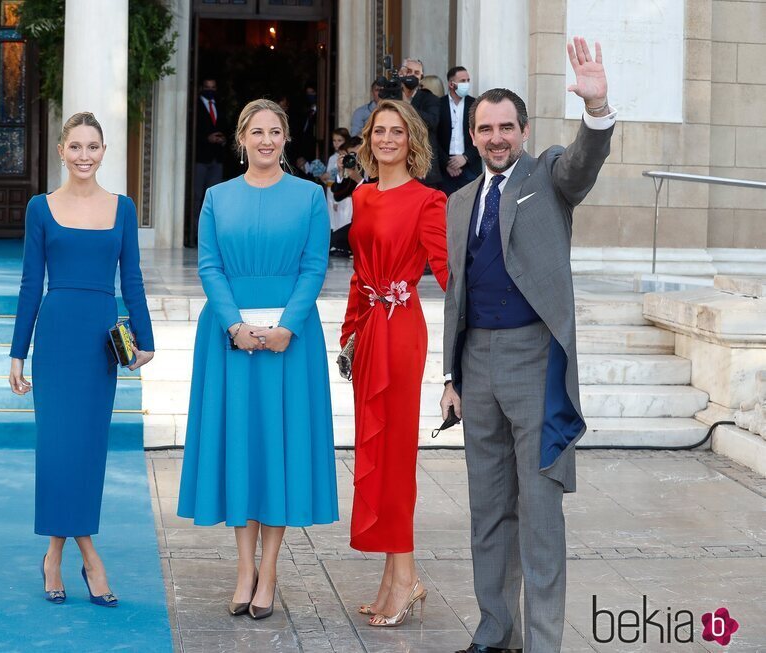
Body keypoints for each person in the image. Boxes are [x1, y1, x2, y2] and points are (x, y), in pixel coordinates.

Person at [440, 38, 615, 653]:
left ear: (523, 130)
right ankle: (496, 632)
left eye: (506, 127)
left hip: (534, 363)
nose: (495, 138)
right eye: (484, 128)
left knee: (540, 515)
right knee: (488, 513)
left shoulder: (547, 178)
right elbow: (455, 294)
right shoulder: (459, 202)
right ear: (472, 132)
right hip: (476, 368)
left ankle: (543, 642)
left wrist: (596, 110)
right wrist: (450, 376)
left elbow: (583, 164)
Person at [177, 99, 337, 621]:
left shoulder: (311, 197)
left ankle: (269, 571)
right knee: (242, 450)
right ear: (242, 138)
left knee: (278, 452)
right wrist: (233, 325)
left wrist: (287, 326)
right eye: (256, 132)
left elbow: (315, 266)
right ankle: (244, 568)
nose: (266, 140)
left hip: (291, 341)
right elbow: (209, 264)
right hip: (230, 340)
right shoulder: (217, 197)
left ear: (286, 138)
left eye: (275, 131)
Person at [9, 112, 155, 607]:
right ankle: (89, 555)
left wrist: (145, 337)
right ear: (61, 150)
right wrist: (16, 352)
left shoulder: (123, 208)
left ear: (104, 151)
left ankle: (54, 553)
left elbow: (131, 277)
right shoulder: (40, 207)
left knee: (88, 450)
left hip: (100, 339)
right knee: (56, 448)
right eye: (75, 146)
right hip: (55, 336)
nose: (84, 155)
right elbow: (31, 283)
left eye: (93, 146)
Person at [341, 99, 448, 627]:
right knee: (375, 451)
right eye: (379, 131)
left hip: (403, 332)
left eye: (397, 132)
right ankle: (393, 574)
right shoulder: (360, 197)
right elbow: (359, 275)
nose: (387, 139)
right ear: (369, 139)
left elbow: (450, 274)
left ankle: (404, 576)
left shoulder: (429, 200)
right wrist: (348, 335)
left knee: (398, 454)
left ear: (412, 141)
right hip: (368, 333)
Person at [188, 77, 228, 247]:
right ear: (201, 88)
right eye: (207, 87)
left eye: (213, 87)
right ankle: (195, 236)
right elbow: (190, 131)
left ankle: (211, 237)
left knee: (214, 199)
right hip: (200, 158)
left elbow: (226, 125)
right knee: (197, 198)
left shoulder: (219, 105)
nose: (210, 90)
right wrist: (207, 139)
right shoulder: (194, 106)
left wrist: (222, 138)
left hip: (216, 158)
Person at [398, 58, 444, 190]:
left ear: (421, 78)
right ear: (402, 73)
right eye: (408, 71)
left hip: (424, 170)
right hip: (398, 166)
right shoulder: (392, 97)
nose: (412, 75)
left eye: (416, 73)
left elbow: (432, 122)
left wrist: (407, 106)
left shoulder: (430, 99)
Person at [437, 66, 482, 196]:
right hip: (444, 168)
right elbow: (433, 138)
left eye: (468, 80)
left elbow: (482, 135)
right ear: (451, 84)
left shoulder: (476, 104)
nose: (466, 84)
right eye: (462, 81)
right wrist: (447, 162)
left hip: (470, 166)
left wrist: (466, 157)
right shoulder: (439, 104)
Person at [329, 136, 365, 257]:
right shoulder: (354, 170)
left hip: (377, 223)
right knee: (332, 240)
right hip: (358, 224)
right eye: (353, 154)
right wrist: (340, 172)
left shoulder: (379, 167)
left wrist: (359, 178)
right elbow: (338, 196)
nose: (357, 157)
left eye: (359, 153)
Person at [321, 127, 351, 248]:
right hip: (330, 190)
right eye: (334, 140)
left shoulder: (348, 158)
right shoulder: (332, 158)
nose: (336, 143)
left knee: (343, 217)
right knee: (332, 217)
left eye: (340, 140)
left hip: (342, 191)